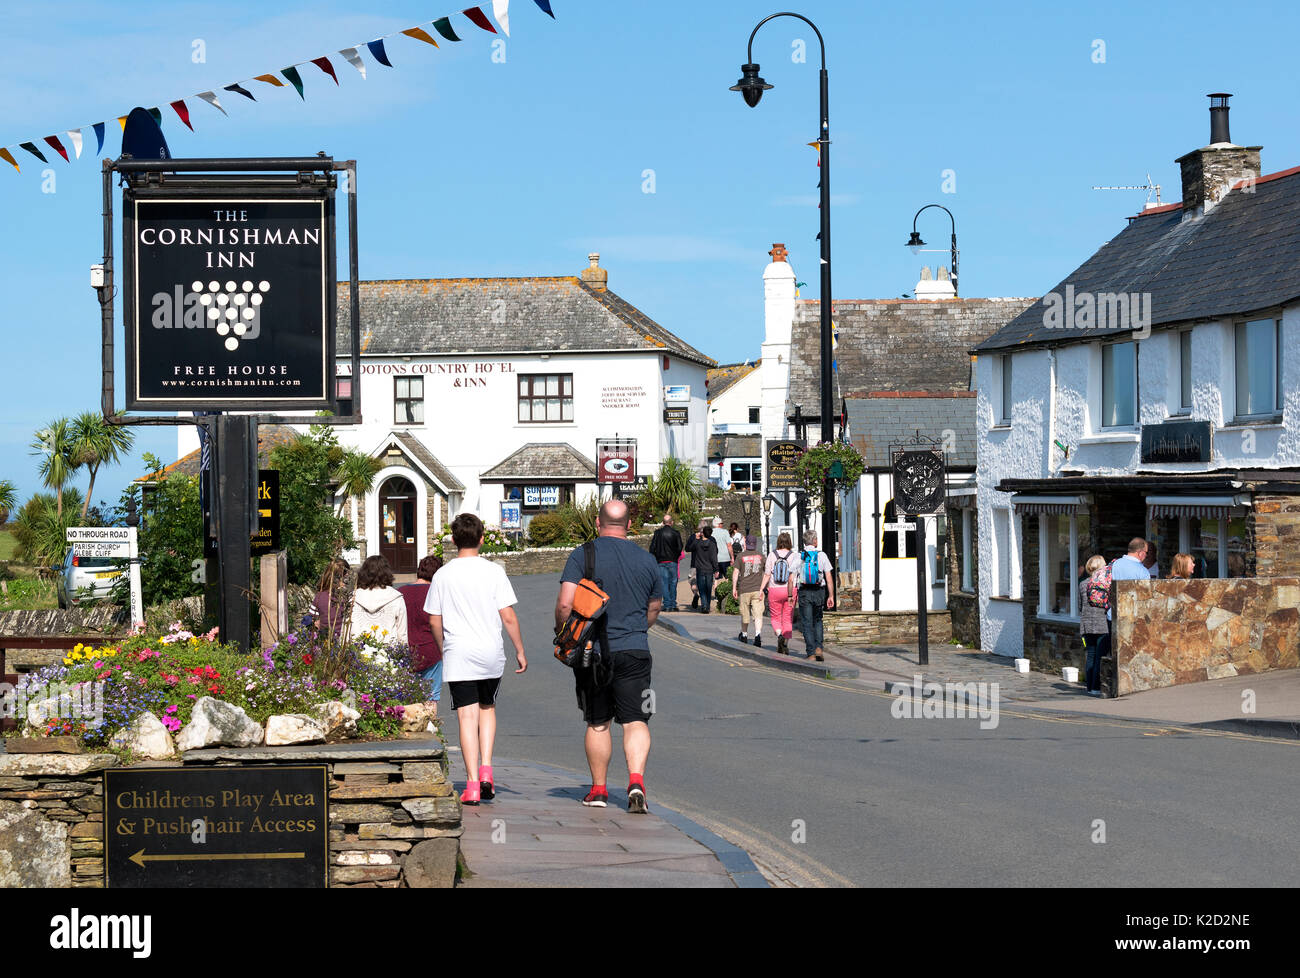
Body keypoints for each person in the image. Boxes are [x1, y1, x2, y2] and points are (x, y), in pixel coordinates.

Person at [556, 499, 662, 814]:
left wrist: (564, 633)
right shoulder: (647, 560)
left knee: (598, 721)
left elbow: (565, 604)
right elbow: (654, 608)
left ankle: (599, 790)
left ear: (597, 522)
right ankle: (636, 782)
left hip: (594, 653)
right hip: (636, 650)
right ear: (630, 525)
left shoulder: (582, 555)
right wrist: (635, 630)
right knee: (636, 720)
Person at [425, 514, 527, 806]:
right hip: (490, 651)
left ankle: (470, 785)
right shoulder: (494, 572)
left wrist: (444, 648)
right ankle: (486, 771)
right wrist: (519, 650)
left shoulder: (443, 575)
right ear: (482, 539)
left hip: (459, 652)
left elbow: (434, 620)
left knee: (465, 716)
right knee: (487, 708)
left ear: (453, 540)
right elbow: (508, 615)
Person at [400, 555, 443, 716]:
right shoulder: (436, 593)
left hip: (406, 651)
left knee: (407, 698)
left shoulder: (401, 592)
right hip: (432, 649)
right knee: (431, 697)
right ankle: (431, 732)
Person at [350, 555, 408, 646]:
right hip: (388, 652)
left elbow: (345, 630)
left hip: (357, 652)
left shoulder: (353, 597)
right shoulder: (396, 598)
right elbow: (402, 633)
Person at [796, 529, 835, 662]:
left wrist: (790, 595)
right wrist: (831, 595)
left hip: (804, 592)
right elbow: (828, 576)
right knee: (818, 620)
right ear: (814, 541)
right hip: (819, 590)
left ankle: (811, 653)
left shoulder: (800, 556)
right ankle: (819, 648)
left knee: (807, 623)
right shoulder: (822, 555)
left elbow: (791, 577)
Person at [762, 532, 799, 654]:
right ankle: (785, 643)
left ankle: (779, 636)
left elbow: (767, 574)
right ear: (789, 542)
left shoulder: (772, 555)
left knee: (776, 617)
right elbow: (795, 575)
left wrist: (761, 589)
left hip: (774, 589)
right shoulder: (794, 556)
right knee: (788, 618)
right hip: (790, 590)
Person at [1078, 555, 1109, 696]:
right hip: (1102, 623)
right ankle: (1096, 687)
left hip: (1087, 624)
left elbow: (1080, 606)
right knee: (1099, 656)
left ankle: (1089, 687)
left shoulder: (1083, 583)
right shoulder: (1104, 584)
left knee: (1091, 655)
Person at [731, 534, 766, 646]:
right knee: (758, 614)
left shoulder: (740, 556)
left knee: (745, 613)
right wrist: (765, 587)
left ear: (745, 544)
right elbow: (767, 573)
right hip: (757, 589)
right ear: (755, 544)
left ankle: (744, 635)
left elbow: (736, 573)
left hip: (744, 589)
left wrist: (734, 588)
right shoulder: (761, 556)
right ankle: (757, 635)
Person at [648, 514, 684, 612]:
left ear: (663, 523)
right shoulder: (676, 533)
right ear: (671, 522)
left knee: (664, 583)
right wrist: (675, 556)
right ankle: (672, 604)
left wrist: (656, 557)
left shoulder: (658, 533)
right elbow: (680, 547)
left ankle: (667, 604)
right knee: (673, 583)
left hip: (661, 561)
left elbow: (652, 548)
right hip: (672, 560)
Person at [311, 557, 352, 642]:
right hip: (344, 642)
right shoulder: (347, 598)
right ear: (344, 576)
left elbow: (313, 621)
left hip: (324, 641)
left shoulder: (319, 597)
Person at [685, 521, 720, 613]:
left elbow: (689, 548)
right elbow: (714, 557)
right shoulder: (712, 543)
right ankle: (707, 606)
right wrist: (716, 569)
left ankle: (704, 605)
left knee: (702, 588)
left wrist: (696, 539)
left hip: (699, 568)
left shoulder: (697, 543)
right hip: (709, 568)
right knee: (708, 588)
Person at [711, 517, 734, 591]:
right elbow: (729, 545)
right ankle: (728, 593)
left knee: (716, 578)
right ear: (718, 524)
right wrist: (732, 557)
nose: (722, 525)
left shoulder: (711, 532)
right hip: (725, 557)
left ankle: (716, 595)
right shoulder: (725, 532)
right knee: (727, 577)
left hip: (715, 558)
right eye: (721, 523)